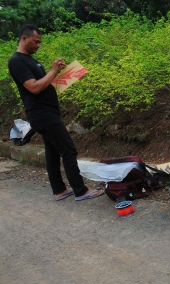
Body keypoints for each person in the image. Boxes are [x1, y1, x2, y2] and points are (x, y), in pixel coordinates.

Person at [8, 24, 104, 201]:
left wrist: (62, 74)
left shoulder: (30, 60)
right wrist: (52, 70)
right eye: (36, 42)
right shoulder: (16, 61)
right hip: (43, 115)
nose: (38, 45)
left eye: (40, 43)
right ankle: (80, 191)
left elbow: (45, 85)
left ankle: (59, 190)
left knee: (52, 152)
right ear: (24, 38)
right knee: (68, 150)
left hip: (47, 112)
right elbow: (34, 88)